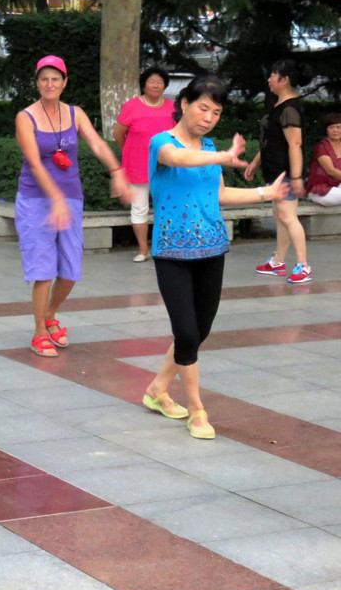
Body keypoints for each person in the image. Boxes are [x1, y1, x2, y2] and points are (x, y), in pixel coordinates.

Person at [142, 75, 287, 439]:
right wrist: (223, 156)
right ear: (184, 104)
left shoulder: (208, 147)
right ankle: (197, 409)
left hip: (212, 248)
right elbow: (178, 158)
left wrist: (264, 193)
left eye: (216, 112)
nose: (208, 118)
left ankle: (157, 389)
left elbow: (219, 194)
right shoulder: (162, 142)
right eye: (203, 108)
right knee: (186, 331)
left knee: (198, 331)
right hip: (172, 252)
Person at [14, 55, 131, 358]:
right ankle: (39, 332)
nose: (49, 84)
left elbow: (97, 143)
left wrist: (117, 171)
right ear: (37, 83)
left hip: (70, 198)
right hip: (36, 200)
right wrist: (55, 199)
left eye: (55, 79)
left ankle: (49, 314)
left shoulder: (75, 113)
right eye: (44, 79)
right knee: (43, 271)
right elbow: (35, 163)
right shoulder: (25, 117)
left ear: (64, 82)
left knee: (70, 270)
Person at [243, 59, 315, 283]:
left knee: (287, 216)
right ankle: (278, 262)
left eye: (273, 75)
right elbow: (272, 140)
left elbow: (295, 144)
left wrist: (296, 177)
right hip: (275, 171)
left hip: (285, 172)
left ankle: (303, 266)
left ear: (284, 80)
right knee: (281, 216)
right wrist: (256, 161)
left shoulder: (290, 108)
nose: (269, 79)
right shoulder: (279, 105)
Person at [114, 66, 175, 262]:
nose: (156, 85)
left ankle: (165, 246)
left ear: (165, 85)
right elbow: (118, 134)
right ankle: (143, 250)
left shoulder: (172, 107)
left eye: (160, 82)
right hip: (137, 165)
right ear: (144, 85)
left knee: (167, 207)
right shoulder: (130, 106)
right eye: (152, 81)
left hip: (165, 167)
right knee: (139, 208)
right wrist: (132, 151)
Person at [307, 113, 341, 206]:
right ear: (326, 130)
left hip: (338, 186)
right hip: (321, 189)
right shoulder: (322, 146)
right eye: (331, 127)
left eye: (338, 127)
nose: (335, 130)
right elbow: (330, 171)